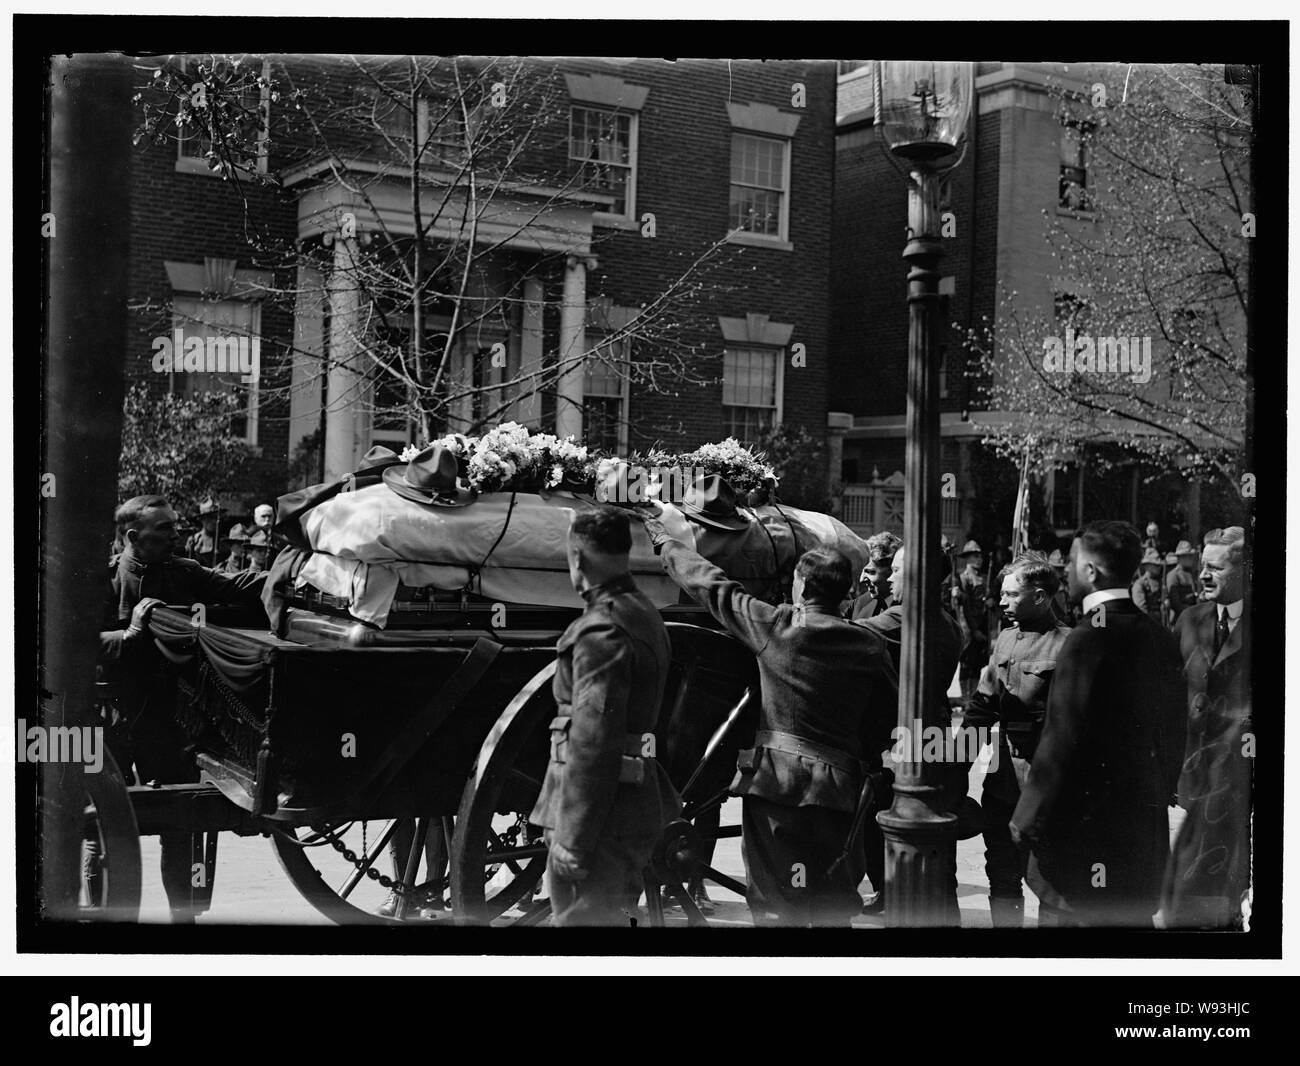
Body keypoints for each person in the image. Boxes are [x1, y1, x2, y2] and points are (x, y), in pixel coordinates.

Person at [642, 507, 899, 927]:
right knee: (834, 905)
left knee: (778, 909)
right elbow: (885, 720)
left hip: (778, 790)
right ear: (847, 591)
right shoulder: (868, 645)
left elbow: (711, 584)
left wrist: (662, 537)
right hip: (840, 794)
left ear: (800, 587)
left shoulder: (776, 627)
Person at [95, 494, 267, 921]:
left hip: (169, 720)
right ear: (133, 536)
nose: (178, 534)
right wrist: (129, 635)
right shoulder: (102, 578)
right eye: (166, 529)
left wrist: (289, 569)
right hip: (112, 718)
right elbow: (73, 642)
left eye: (176, 526)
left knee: (184, 824)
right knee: (99, 828)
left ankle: (183, 922)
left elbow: (241, 588)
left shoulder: (184, 573)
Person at [1010, 521, 1186, 927]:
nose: (1066, 572)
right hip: (1141, 838)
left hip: (1082, 843)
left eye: (1072, 563)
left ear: (1091, 572)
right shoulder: (1159, 636)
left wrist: (1026, 817)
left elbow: (1061, 736)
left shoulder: (1087, 639)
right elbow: (1175, 733)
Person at [529, 508, 680, 926]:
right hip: (624, 809)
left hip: (598, 821)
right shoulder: (644, 613)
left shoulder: (602, 629)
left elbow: (594, 741)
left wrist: (574, 839)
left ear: (577, 559)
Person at [959, 552, 1071, 927]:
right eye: (1002, 594)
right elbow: (980, 709)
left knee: (1051, 880)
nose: (1002, 601)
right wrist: (955, 766)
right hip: (1003, 783)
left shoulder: (1069, 645)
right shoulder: (1004, 639)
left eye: (1011, 595)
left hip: (1047, 788)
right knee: (1002, 873)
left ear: (1040, 596)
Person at [860, 545, 966, 919]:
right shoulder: (949, 622)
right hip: (935, 741)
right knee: (938, 854)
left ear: (918, 577)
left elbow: (839, 633)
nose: (889, 576)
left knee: (899, 824)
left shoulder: (904, 619)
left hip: (908, 745)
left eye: (899, 569)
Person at [1160, 527, 1251, 929]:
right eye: (1202, 567)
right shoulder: (1189, 620)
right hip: (1195, 778)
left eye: (1216, 567)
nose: (1204, 576)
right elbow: (1167, 699)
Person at [952, 540, 990, 698]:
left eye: (980, 556)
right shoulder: (962, 578)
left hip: (982, 623)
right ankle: (965, 695)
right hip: (967, 624)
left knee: (977, 662)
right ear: (967, 558)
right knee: (966, 661)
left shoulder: (983, 578)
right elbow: (962, 606)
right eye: (976, 556)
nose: (979, 559)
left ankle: (972, 695)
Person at [850, 530, 902, 621]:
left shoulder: (905, 607)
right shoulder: (861, 602)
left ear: (891, 571)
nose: (861, 579)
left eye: (870, 572)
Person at [1164, 540, 1202, 626]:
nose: (1191, 559)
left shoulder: (1195, 574)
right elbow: (1175, 603)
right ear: (1180, 558)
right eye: (1188, 556)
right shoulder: (1173, 575)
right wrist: (1193, 612)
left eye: (1191, 556)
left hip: (1196, 616)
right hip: (1180, 619)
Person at [1131, 547, 1166, 625]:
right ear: (1147, 566)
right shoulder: (1140, 584)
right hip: (1148, 623)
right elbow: (1141, 609)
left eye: (1159, 565)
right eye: (1156, 565)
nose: (1159, 568)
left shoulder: (1161, 582)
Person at [183, 497, 222, 566]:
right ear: (202, 520)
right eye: (210, 518)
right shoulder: (194, 540)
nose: (213, 521)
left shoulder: (222, 541)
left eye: (215, 517)